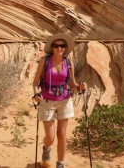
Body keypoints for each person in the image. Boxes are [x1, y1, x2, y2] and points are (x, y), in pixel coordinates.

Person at [32, 33, 87, 168]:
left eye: (62, 46)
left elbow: (72, 85)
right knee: (50, 137)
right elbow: (35, 82)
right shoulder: (45, 61)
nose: (59, 48)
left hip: (64, 100)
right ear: (52, 47)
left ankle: (60, 164)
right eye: (56, 46)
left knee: (62, 135)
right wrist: (35, 95)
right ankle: (46, 149)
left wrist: (80, 87)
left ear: (65, 48)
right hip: (47, 101)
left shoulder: (68, 62)